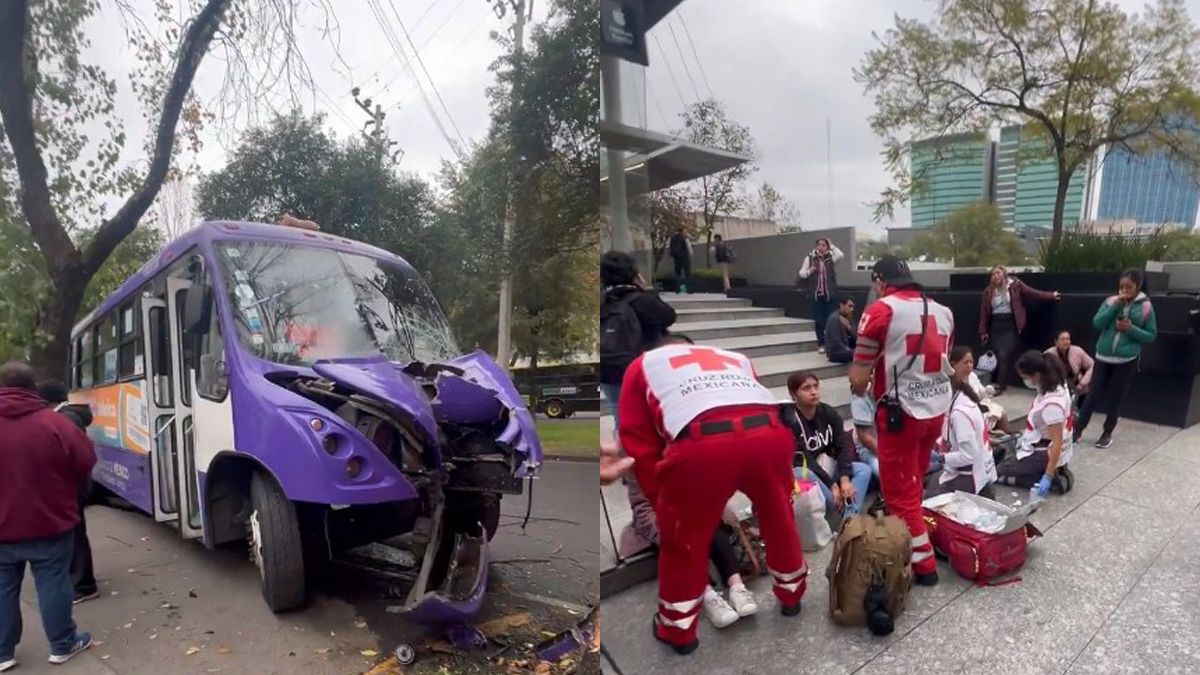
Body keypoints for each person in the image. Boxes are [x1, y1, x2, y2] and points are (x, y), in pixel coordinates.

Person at [619, 336, 807, 654]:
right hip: (770, 436)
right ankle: (792, 596)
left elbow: (638, 440)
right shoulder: (734, 357)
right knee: (780, 520)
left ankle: (678, 630)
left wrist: (662, 499)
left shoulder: (642, 366)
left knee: (683, 543)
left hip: (701, 445)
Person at [850, 255, 954, 587]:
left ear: (879, 281)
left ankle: (924, 567)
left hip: (902, 415)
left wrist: (865, 384)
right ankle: (914, 532)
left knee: (899, 494)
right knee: (914, 482)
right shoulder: (944, 311)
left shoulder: (880, 310)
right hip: (936, 409)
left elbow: (857, 380)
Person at [0, 363, 96, 670]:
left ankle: (3, 653)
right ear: (33, 389)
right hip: (50, 521)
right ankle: (62, 645)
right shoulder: (56, 424)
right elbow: (86, 460)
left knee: (3, 588)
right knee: (53, 582)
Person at [624, 472, 758, 628]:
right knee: (678, 537)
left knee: (709, 522)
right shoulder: (637, 467)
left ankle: (737, 586)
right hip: (660, 522)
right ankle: (709, 596)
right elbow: (643, 511)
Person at [1074, 269, 1157, 449]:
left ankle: (1107, 433)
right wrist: (1115, 307)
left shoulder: (1146, 307)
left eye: (1129, 287)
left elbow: (1151, 335)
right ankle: (1078, 429)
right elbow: (1097, 323)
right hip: (1103, 357)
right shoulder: (1110, 301)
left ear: (1138, 286)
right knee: (1092, 395)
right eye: (1121, 286)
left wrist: (1131, 329)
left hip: (1126, 360)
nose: (1124, 290)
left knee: (1116, 398)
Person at [36, 381, 98, 605]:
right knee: (75, 533)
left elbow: (78, 457)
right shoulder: (67, 417)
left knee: (75, 535)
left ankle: (83, 584)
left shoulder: (65, 419)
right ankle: (80, 579)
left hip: (70, 487)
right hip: (72, 485)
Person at [600, 251, 677, 430]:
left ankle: (623, 446)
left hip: (609, 370)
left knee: (620, 416)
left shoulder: (602, 302)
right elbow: (668, 317)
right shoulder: (641, 300)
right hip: (642, 370)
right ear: (634, 273)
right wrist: (647, 291)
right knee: (651, 419)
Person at [781, 372, 873, 519]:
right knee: (827, 497)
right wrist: (832, 485)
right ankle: (846, 517)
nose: (813, 392)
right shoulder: (791, 420)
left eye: (815, 386)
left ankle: (848, 520)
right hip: (808, 473)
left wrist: (844, 479)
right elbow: (805, 460)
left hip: (828, 465)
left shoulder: (828, 412)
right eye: (806, 388)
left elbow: (842, 445)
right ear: (793, 395)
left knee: (864, 470)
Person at [997, 351, 1075, 496]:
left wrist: (1048, 476)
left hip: (1040, 452)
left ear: (1037, 375)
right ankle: (1049, 470)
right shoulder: (1058, 385)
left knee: (996, 471)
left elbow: (1057, 442)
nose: (1025, 381)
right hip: (1039, 443)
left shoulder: (1052, 405)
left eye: (1025, 377)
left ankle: (1044, 476)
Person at [978, 265, 1061, 395]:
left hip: (1010, 324)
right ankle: (1003, 383)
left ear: (1004, 274)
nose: (996, 276)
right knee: (1000, 356)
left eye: (998, 273)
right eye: (993, 274)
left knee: (1004, 355)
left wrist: (1051, 295)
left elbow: (1033, 293)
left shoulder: (1015, 285)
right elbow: (984, 313)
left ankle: (1001, 386)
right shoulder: (989, 291)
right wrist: (983, 331)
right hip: (996, 325)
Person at [925, 352, 998, 499]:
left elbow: (968, 456)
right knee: (931, 479)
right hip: (978, 470)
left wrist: (942, 458)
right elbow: (950, 436)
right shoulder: (962, 398)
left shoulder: (960, 413)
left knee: (924, 500)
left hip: (969, 477)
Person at [797, 237, 844, 354]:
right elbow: (801, 273)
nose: (821, 247)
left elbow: (840, 255)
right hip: (816, 295)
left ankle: (830, 343)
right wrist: (810, 271)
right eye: (819, 245)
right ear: (816, 246)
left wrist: (832, 245)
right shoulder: (810, 258)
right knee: (819, 320)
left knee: (830, 320)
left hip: (829, 294)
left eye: (824, 245)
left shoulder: (831, 258)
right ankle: (821, 343)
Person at [1045, 330, 1093, 412]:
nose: (1066, 342)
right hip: (1057, 390)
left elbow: (1092, 365)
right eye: (1062, 339)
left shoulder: (1077, 351)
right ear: (1056, 342)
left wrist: (1084, 382)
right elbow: (1043, 372)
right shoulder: (1048, 354)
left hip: (1078, 387)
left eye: (1068, 339)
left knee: (1081, 412)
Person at [823, 297, 857, 364]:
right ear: (841, 305)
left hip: (847, 348)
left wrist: (848, 327)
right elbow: (836, 342)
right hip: (835, 352)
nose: (852, 309)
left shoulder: (849, 317)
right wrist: (849, 350)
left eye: (853, 307)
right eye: (849, 306)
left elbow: (856, 337)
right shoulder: (834, 319)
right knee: (860, 354)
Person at [668, 227, 693, 294]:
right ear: (682, 231)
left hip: (677, 258)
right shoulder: (685, 237)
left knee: (678, 273)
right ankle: (689, 290)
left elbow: (671, 247)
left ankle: (677, 290)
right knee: (687, 273)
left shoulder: (673, 237)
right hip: (684, 257)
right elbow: (689, 248)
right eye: (685, 231)